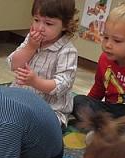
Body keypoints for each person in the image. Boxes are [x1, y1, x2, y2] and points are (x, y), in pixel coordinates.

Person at [7, 0, 79, 129]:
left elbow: (62, 85)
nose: (40, 28)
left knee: (35, 127)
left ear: (65, 25)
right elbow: (13, 64)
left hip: (50, 110)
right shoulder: (31, 40)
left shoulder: (67, 51)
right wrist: (30, 47)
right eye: (36, 20)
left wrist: (35, 81)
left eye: (48, 23)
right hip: (20, 100)